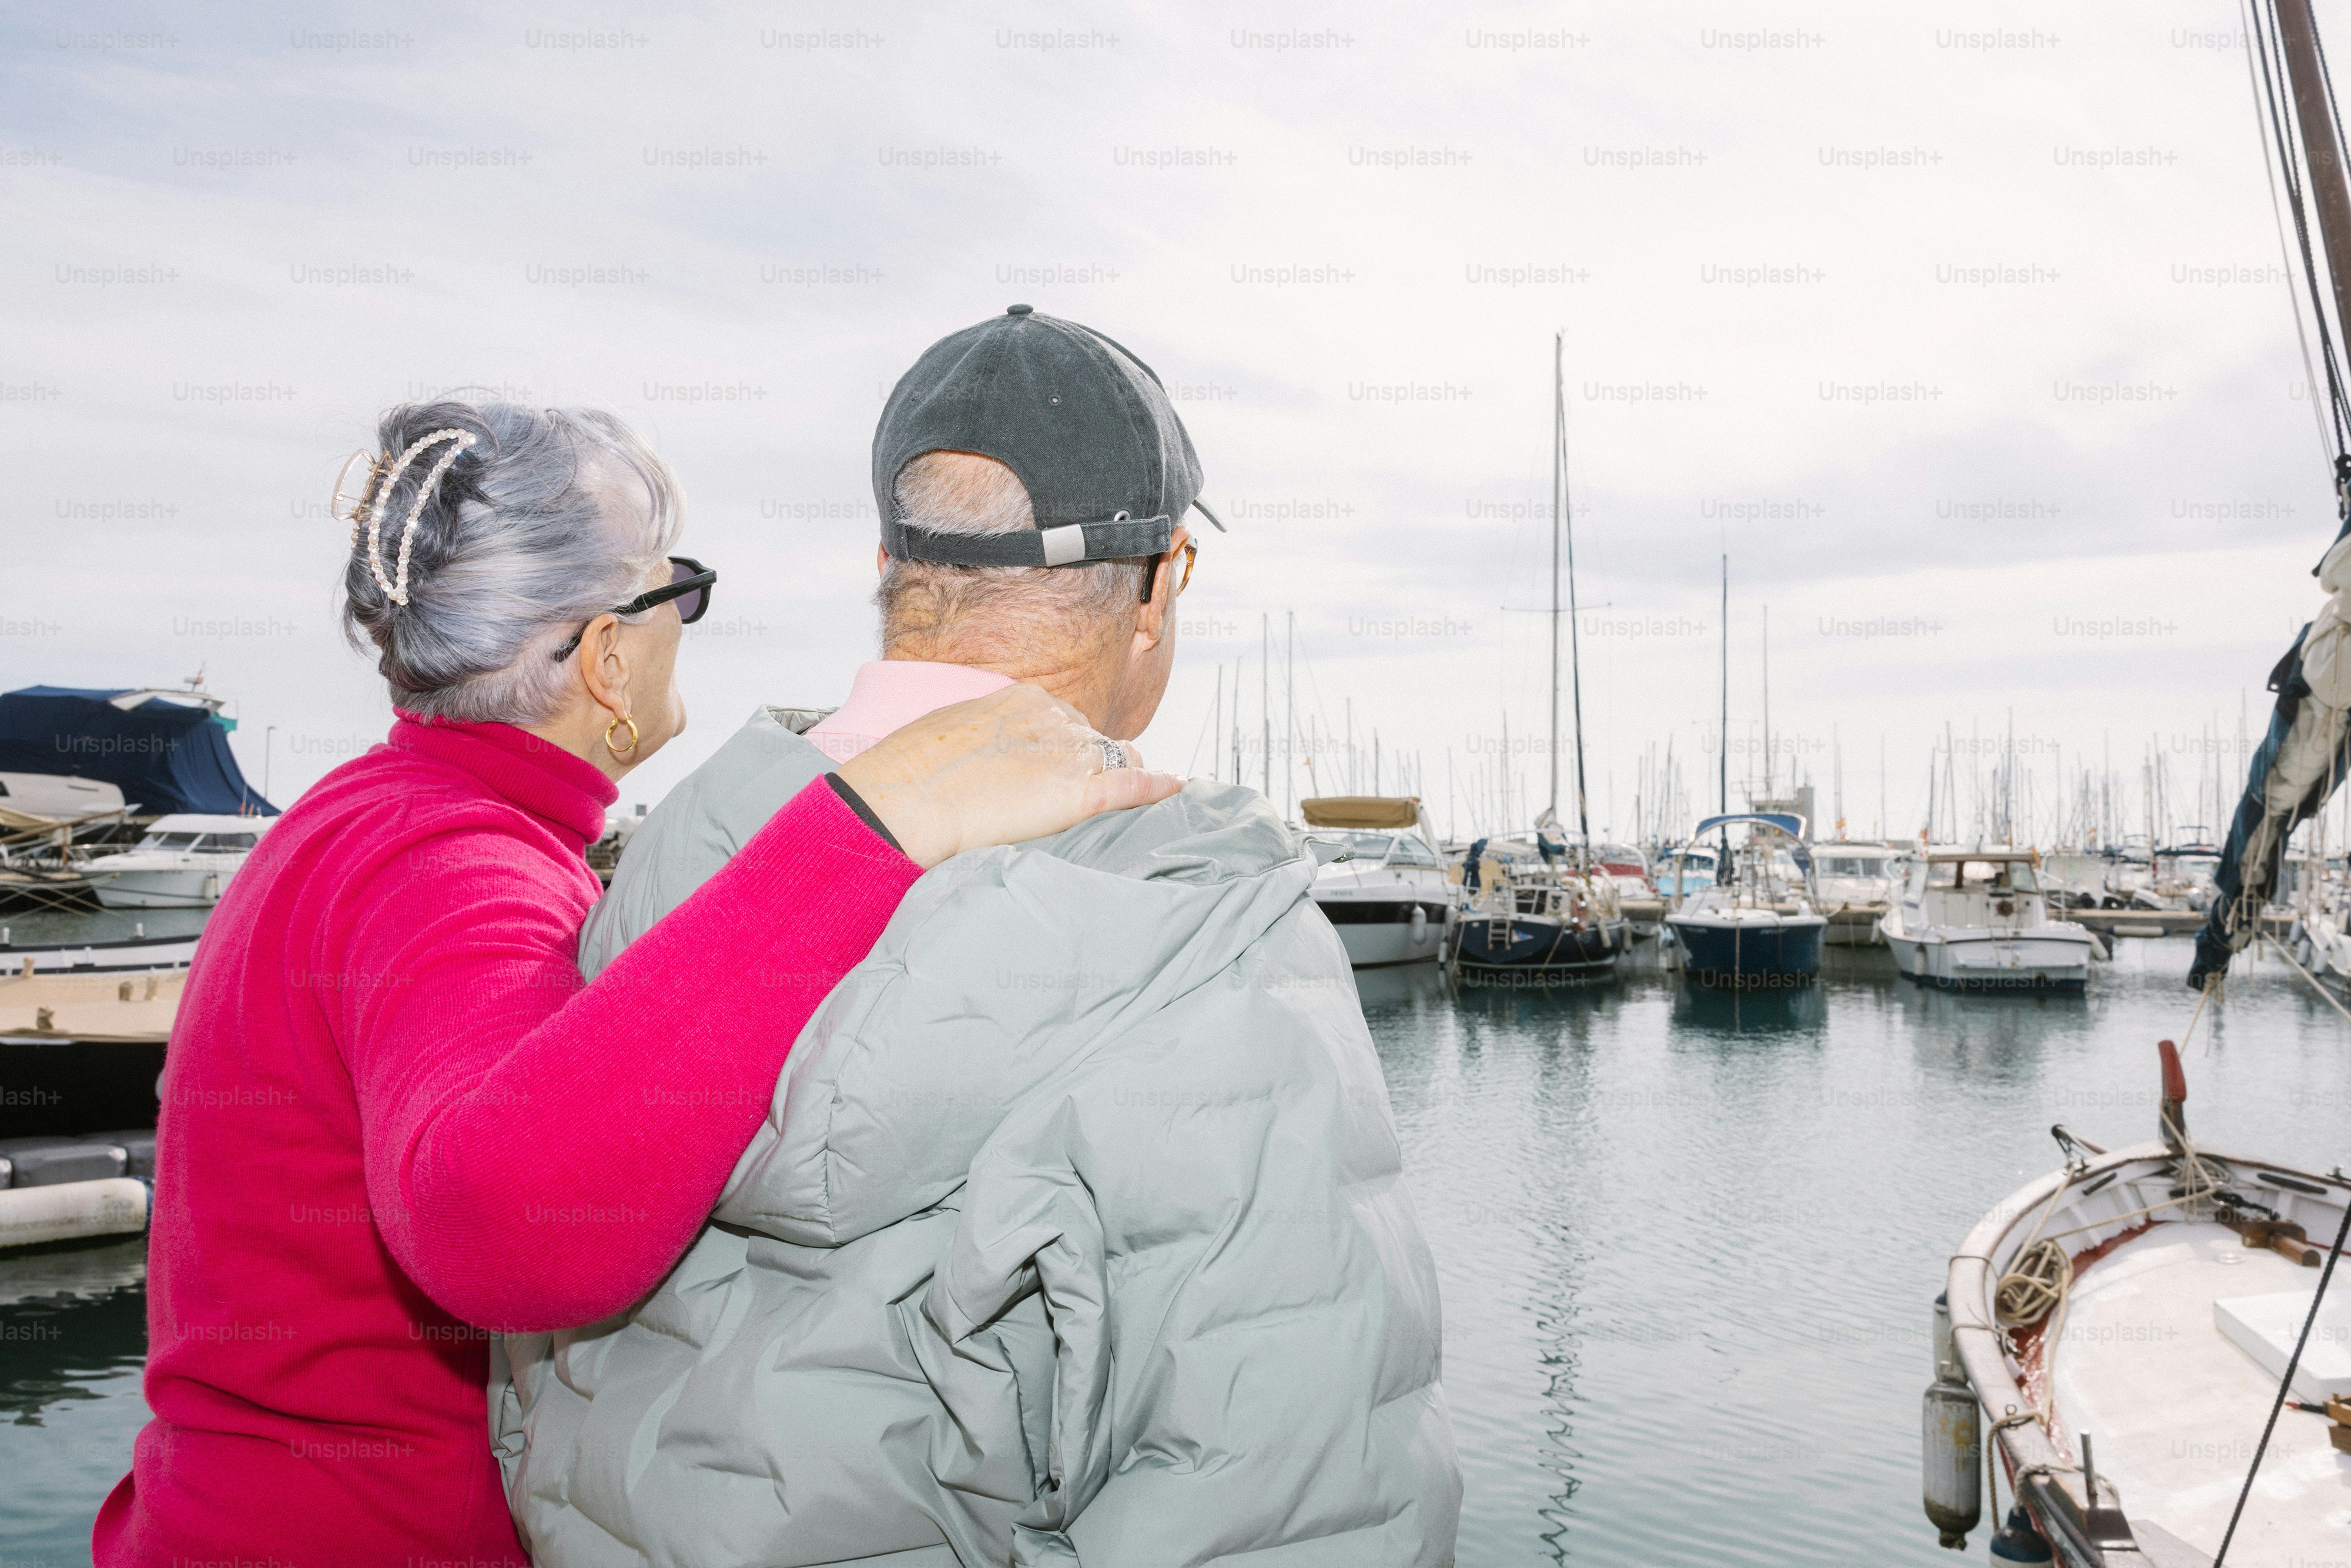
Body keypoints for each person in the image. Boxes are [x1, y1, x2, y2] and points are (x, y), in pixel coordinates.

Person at [93, 400, 1178, 1568]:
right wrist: (872, 827)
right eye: (682, 593)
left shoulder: (357, 823)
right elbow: (504, 1224)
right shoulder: (452, 870)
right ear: (608, 656)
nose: (690, 629)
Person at [500, 309, 1462, 1566]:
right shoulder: (1204, 932)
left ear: (892, 560)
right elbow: (1299, 1504)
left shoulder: (669, 864)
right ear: (1162, 580)